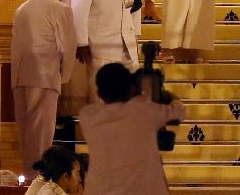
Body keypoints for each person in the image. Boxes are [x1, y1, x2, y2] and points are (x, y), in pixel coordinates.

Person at [79, 63, 185, 195]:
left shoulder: (87, 116)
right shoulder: (142, 110)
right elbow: (179, 111)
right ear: (132, 89)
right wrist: (166, 95)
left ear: (99, 93)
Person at [11, 0, 77, 178]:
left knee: (26, 131)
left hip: (21, 76)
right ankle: (38, 179)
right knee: (42, 133)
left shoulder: (22, 9)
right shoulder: (61, 8)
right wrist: (64, 77)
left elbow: (15, 46)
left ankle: (29, 175)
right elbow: (67, 46)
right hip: (45, 75)